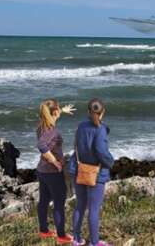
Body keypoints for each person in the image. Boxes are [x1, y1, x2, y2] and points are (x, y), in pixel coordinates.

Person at [68, 99, 115, 246]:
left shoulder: (81, 126)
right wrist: (111, 162)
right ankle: (94, 243)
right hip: (96, 173)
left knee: (80, 205)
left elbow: (77, 147)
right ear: (103, 112)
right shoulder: (100, 129)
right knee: (93, 209)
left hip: (78, 169)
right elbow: (101, 151)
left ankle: (76, 239)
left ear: (88, 112)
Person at [36, 99, 76, 244]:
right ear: (54, 112)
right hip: (52, 173)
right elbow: (41, 145)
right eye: (58, 109)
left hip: (42, 170)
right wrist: (55, 162)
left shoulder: (41, 125)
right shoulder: (52, 130)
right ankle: (61, 236)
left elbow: (43, 139)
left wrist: (61, 111)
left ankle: (44, 231)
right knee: (59, 203)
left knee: (44, 201)